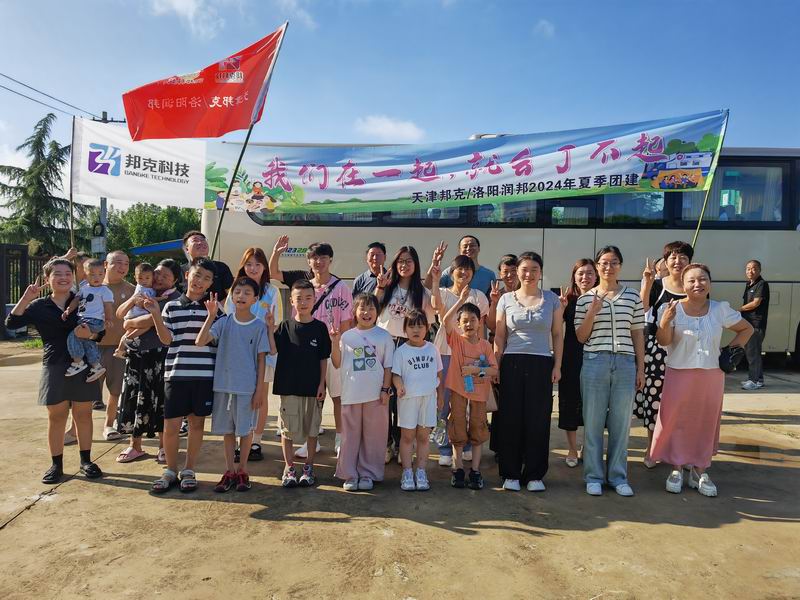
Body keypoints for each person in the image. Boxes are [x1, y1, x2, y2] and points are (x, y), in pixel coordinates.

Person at [652, 264, 753, 496]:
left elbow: (746, 329)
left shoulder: (720, 309)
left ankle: (700, 470)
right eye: (692, 280)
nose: (698, 284)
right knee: (676, 421)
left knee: (705, 422)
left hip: (711, 375)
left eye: (703, 279)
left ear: (710, 283)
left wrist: (730, 352)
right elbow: (663, 341)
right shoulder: (671, 308)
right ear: (683, 285)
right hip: (679, 372)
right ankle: (676, 468)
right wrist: (665, 321)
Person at [5, 259, 104, 483]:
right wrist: (26, 298)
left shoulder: (84, 299)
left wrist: (91, 335)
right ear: (48, 279)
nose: (63, 278)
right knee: (56, 416)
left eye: (67, 273)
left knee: (83, 415)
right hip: (55, 364)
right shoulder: (39, 306)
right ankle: (56, 465)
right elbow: (11, 323)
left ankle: (86, 461)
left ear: (73, 277)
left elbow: (100, 332)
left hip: (83, 365)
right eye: (57, 274)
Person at [270, 236, 353, 459]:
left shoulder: (341, 287)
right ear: (308, 261)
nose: (319, 262)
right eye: (314, 258)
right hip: (306, 351)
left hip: (333, 347)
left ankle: (340, 439)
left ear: (330, 260)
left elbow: (347, 322)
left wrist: (339, 345)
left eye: (323, 257)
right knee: (313, 397)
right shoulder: (302, 282)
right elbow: (273, 273)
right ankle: (311, 442)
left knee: (337, 396)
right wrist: (277, 252)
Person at [575, 246, 645, 497]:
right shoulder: (585, 299)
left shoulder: (633, 296)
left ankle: (618, 476)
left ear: (620, 266)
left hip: (625, 363)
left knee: (621, 423)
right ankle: (593, 476)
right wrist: (592, 313)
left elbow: (637, 333)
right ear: (597, 267)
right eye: (604, 263)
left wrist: (641, 367)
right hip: (595, 361)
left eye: (614, 262)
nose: (608, 267)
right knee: (593, 422)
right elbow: (581, 337)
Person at [147, 257, 219, 493]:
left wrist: (212, 315)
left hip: (203, 376)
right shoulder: (171, 306)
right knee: (171, 426)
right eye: (197, 275)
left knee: (197, 424)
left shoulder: (215, 309)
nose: (200, 281)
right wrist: (155, 314)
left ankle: (189, 469)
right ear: (187, 275)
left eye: (206, 278)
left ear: (211, 283)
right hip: (176, 374)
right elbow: (166, 340)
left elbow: (216, 340)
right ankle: (170, 470)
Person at [196, 278, 275, 493]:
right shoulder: (224, 322)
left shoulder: (259, 326)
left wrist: (259, 391)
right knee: (228, 431)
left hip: (247, 389)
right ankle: (229, 470)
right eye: (237, 291)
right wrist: (211, 316)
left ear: (255, 299)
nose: (241, 296)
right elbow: (200, 341)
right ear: (232, 296)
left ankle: (242, 470)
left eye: (247, 292)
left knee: (245, 431)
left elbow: (261, 360)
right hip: (223, 387)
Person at [494, 252, 564, 492]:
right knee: (510, 418)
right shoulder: (506, 299)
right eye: (525, 269)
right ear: (517, 272)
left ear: (540, 272)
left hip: (541, 363)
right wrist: (496, 365)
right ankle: (510, 473)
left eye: (534, 269)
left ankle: (535, 474)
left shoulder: (551, 299)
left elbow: (557, 334)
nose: (529, 274)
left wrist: (557, 365)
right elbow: (499, 336)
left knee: (538, 419)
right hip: (511, 362)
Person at [114, 260, 182, 464]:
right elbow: (120, 315)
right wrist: (129, 315)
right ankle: (135, 445)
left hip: (161, 355)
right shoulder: (144, 292)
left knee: (160, 401)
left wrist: (129, 322)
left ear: (175, 281)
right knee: (134, 398)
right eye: (158, 273)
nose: (159, 278)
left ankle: (163, 446)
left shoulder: (175, 299)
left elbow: (149, 320)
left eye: (166, 276)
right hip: (137, 353)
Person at [376, 245, 436, 464]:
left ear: (416, 264)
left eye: (409, 261)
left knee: (404, 398)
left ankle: (403, 444)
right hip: (385, 344)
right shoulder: (387, 286)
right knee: (386, 398)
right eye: (400, 261)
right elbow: (373, 310)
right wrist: (379, 287)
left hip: (408, 347)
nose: (404, 265)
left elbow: (429, 321)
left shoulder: (422, 293)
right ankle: (387, 443)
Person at [635, 241, 693, 467]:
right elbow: (641, 310)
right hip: (657, 353)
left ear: (690, 262)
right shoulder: (658, 284)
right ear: (666, 262)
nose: (678, 261)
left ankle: (681, 451)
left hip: (685, 351)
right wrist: (648, 283)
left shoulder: (694, 285)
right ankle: (652, 448)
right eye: (673, 257)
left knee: (684, 403)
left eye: (683, 257)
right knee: (654, 400)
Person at [330, 293, 394, 491]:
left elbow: (388, 367)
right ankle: (349, 474)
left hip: (376, 396)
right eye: (362, 308)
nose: (366, 312)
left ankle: (368, 474)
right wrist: (334, 342)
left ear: (378, 312)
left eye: (371, 308)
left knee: (374, 437)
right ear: (354, 312)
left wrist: (385, 389)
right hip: (351, 395)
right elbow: (337, 363)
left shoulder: (384, 336)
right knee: (349, 437)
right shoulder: (347, 336)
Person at [225, 247, 283, 462]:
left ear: (264, 267)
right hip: (238, 352)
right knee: (238, 396)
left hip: (263, 351)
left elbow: (276, 322)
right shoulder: (235, 288)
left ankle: (256, 441)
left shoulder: (272, 291)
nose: (253, 268)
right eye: (249, 264)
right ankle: (239, 439)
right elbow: (229, 318)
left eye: (258, 264)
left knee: (260, 396)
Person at [430, 255, 489, 467]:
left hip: (470, 356)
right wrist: (435, 280)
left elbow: (481, 327)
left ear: (473, 273)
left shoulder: (479, 296)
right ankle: (445, 447)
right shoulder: (444, 293)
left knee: (468, 401)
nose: (463, 273)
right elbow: (436, 307)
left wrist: (481, 356)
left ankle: (466, 446)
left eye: (468, 269)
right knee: (444, 402)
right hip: (445, 354)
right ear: (452, 272)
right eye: (459, 269)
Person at [274, 279, 331, 488]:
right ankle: (289, 468)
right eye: (299, 298)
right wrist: (269, 327)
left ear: (314, 300)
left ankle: (309, 466)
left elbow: (323, 359)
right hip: (289, 387)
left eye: (308, 298)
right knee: (287, 430)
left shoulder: (320, 328)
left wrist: (321, 384)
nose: (303, 302)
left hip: (313, 388)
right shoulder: (284, 327)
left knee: (312, 429)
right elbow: (272, 349)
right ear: (291, 301)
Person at [442, 289, 498, 490]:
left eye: (473, 320)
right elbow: (445, 321)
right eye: (464, 321)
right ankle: (457, 469)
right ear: (458, 324)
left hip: (479, 396)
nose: (469, 324)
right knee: (457, 430)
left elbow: (493, 370)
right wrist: (460, 301)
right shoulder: (456, 340)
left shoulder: (485, 346)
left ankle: (475, 470)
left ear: (479, 322)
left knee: (478, 430)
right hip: (458, 393)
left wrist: (476, 370)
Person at [391, 310, 443, 491]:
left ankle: (421, 472)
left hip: (428, 399)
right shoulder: (400, 351)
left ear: (427, 329)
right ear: (404, 329)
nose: (416, 330)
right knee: (407, 437)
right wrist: (399, 386)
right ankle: (407, 472)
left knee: (423, 437)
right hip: (408, 400)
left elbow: (439, 374)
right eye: (411, 326)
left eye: (420, 326)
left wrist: (441, 397)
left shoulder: (433, 349)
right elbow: (395, 375)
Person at [557, 259, 598, 468]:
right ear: (574, 276)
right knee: (570, 403)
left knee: (594, 406)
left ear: (596, 276)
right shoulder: (569, 300)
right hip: (571, 358)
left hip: (597, 357)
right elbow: (555, 329)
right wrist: (560, 308)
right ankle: (572, 448)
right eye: (580, 273)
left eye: (589, 273)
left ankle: (587, 447)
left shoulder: (603, 298)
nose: (585, 277)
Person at [63, 258, 113, 382]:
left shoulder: (104, 290)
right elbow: (76, 300)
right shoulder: (84, 288)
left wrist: (108, 318)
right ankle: (96, 365)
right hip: (84, 320)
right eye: (92, 274)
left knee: (73, 336)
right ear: (85, 275)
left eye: (100, 274)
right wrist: (68, 310)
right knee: (87, 341)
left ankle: (78, 362)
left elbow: (108, 306)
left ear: (104, 273)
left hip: (94, 321)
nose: (97, 277)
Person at [113, 263, 163, 358]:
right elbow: (149, 300)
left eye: (147, 278)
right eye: (140, 278)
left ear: (152, 277)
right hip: (137, 314)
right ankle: (129, 339)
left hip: (135, 314)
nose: (144, 281)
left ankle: (120, 350)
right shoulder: (142, 288)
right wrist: (161, 298)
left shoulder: (148, 288)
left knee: (129, 331)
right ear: (135, 278)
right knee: (146, 326)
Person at [425, 235, 496, 295]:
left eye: (472, 245)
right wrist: (434, 263)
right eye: (465, 246)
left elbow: (492, 300)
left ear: (479, 248)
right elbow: (428, 288)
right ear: (459, 249)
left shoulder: (489, 275)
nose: (468, 248)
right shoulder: (450, 271)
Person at [181, 230, 235, 302]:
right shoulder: (180, 271)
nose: (200, 242)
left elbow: (231, 294)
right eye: (195, 240)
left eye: (203, 240)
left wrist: (218, 307)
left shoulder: (221, 267)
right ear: (187, 249)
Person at [740, 259, 770, 390]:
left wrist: (739, 309)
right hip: (748, 323)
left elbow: (755, 303)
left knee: (753, 353)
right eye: (748, 269)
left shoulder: (762, 284)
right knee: (751, 352)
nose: (750, 271)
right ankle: (759, 380)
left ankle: (754, 380)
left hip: (756, 324)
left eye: (753, 268)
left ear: (759, 270)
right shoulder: (749, 284)